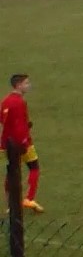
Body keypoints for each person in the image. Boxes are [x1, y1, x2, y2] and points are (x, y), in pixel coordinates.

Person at [1, 74, 43, 213]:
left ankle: (9, 205)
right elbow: (19, 126)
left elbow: (3, 119)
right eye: (26, 83)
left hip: (7, 142)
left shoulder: (6, 100)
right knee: (34, 167)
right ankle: (29, 199)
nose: (28, 85)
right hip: (21, 143)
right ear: (18, 85)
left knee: (12, 171)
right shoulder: (19, 102)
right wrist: (24, 141)